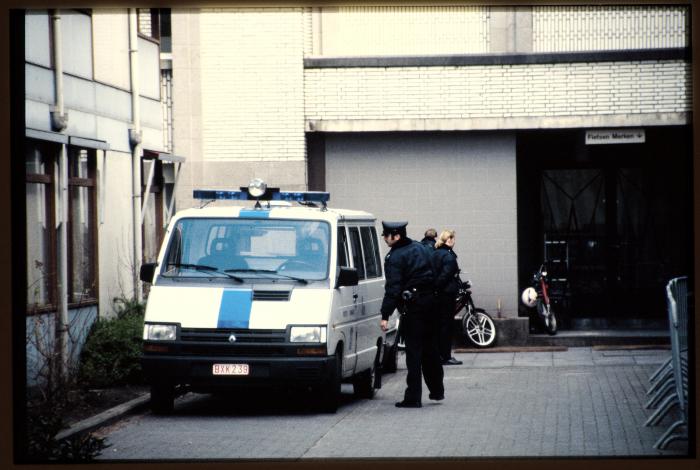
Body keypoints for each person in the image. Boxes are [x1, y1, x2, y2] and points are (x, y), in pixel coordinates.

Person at [379, 221, 444, 408]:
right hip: (431, 304)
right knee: (431, 349)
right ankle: (437, 391)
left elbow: (393, 288)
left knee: (414, 353)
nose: (384, 238)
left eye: (386, 235)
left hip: (413, 308)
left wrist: (385, 314)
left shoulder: (395, 257)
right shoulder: (421, 247)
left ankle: (413, 397)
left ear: (396, 236)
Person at [431, 230, 463, 365]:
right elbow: (445, 276)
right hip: (446, 295)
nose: (453, 240)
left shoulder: (435, 253)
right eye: (452, 238)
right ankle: (446, 356)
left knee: (438, 325)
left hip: (437, 295)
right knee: (446, 325)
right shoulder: (449, 257)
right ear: (449, 240)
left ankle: (438, 355)